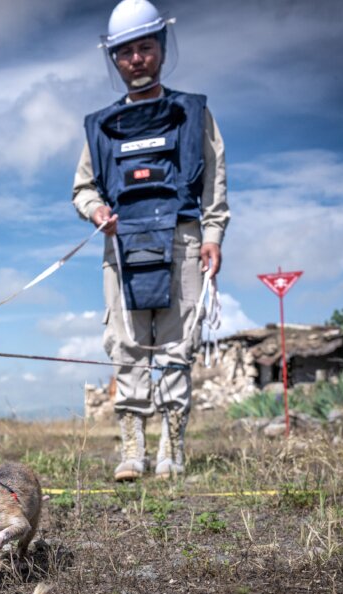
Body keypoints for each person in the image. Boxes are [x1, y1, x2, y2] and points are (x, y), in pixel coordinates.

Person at [72, 0, 229, 482]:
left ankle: (172, 450)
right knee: (126, 346)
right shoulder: (100, 126)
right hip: (120, 247)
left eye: (145, 48)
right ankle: (132, 451)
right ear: (114, 58)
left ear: (161, 48)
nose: (136, 59)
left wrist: (213, 234)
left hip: (181, 241)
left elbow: (215, 179)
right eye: (126, 52)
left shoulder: (192, 112)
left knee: (180, 345)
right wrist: (96, 209)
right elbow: (83, 186)